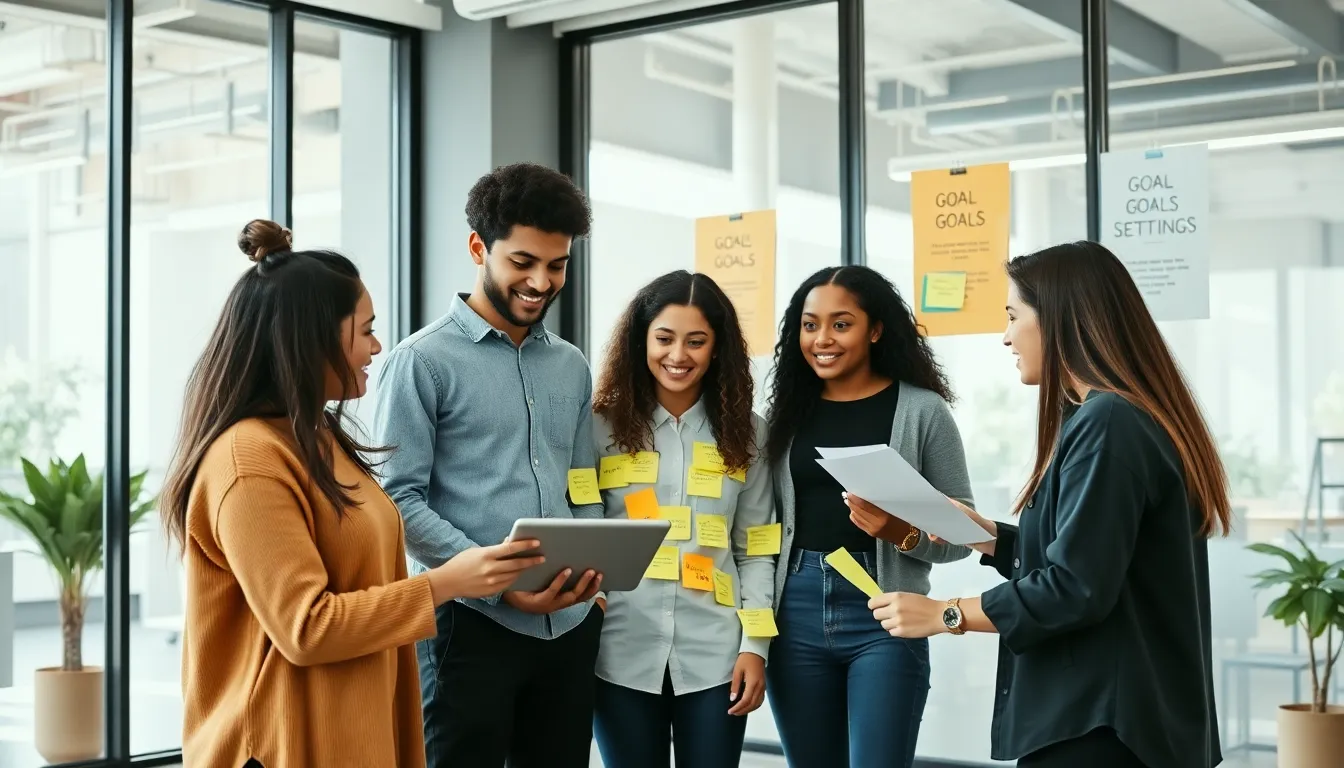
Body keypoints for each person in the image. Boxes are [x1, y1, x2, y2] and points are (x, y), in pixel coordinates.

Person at [158, 220, 544, 768]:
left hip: (351, 734)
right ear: (311, 338)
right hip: (281, 746)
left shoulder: (316, 437)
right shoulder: (247, 461)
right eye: (365, 330)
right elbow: (307, 628)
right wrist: (448, 582)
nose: (377, 347)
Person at [866, 241, 1227, 768]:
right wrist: (986, 536)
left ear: (1060, 319)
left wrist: (946, 614)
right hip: (1107, 718)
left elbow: (1075, 588)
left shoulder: (1109, 423)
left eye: (1014, 316)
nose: (1006, 336)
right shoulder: (1106, 418)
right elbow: (1095, 559)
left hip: (1102, 726)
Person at [373, 162, 604, 768]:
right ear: (479, 247)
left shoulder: (571, 366)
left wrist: (593, 581)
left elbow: (582, 485)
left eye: (557, 265)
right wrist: (500, 583)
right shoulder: (420, 362)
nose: (541, 282)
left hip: (569, 627)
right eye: (522, 262)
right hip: (468, 628)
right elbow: (396, 500)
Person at [762, 265, 973, 768]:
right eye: (809, 325)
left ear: (875, 330)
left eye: (841, 324)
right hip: (793, 611)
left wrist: (900, 533)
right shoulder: (785, 415)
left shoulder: (923, 412)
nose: (821, 339)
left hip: (885, 611)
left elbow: (964, 538)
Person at [589, 270, 776, 768]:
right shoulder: (598, 427)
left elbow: (757, 549)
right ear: (641, 341)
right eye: (665, 338)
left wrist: (755, 646)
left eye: (696, 341)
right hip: (618, 653)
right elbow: (582, 529)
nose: (678, 355)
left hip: (717, 658)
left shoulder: (749, 434)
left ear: (717, 349)